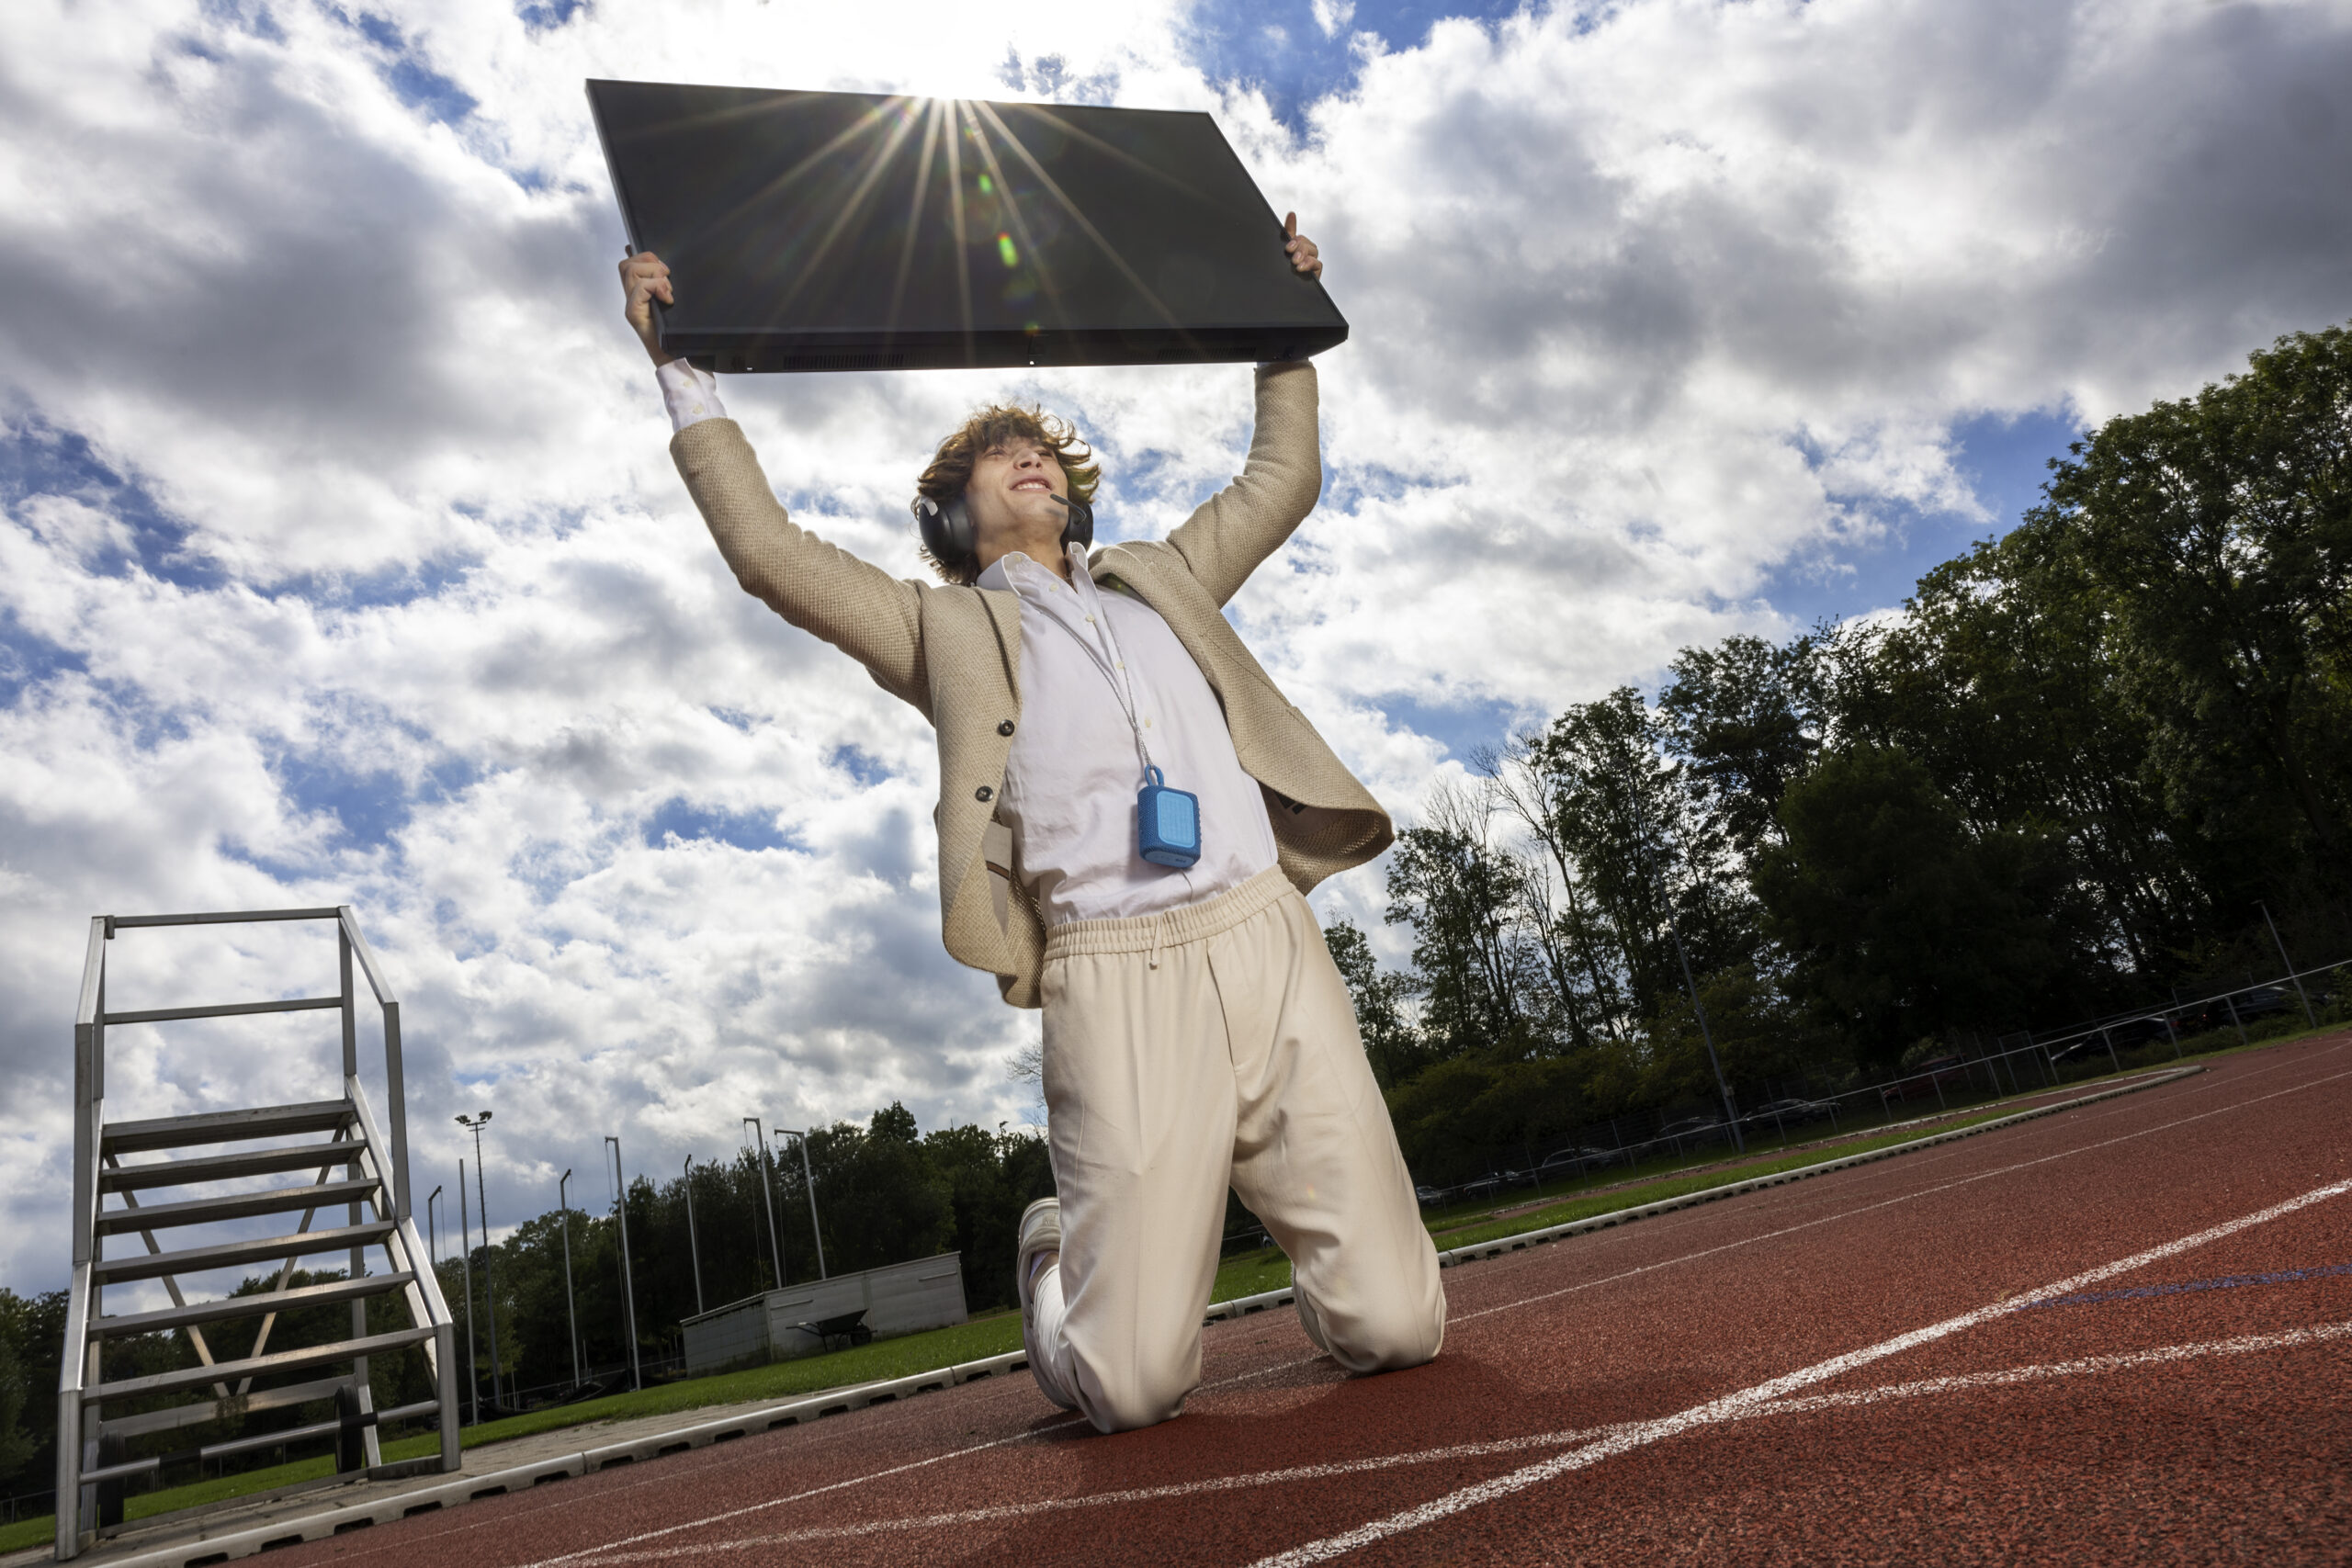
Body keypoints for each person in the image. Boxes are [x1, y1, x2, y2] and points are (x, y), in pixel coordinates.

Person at [620, 216, 1444, 1433]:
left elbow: (1283, 480)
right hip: (1113, 976)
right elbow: (768, 554)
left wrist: (1285, 322)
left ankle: (1340, 1289)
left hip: (1266, 939)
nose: (1032, 462)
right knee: (1130, 1387)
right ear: (952, 517)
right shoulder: (938, 631)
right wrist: (677, 364)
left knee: (1400, 1329)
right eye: (998, 457)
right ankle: (1063, 1263)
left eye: (1044, 455)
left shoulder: (1164, 576)